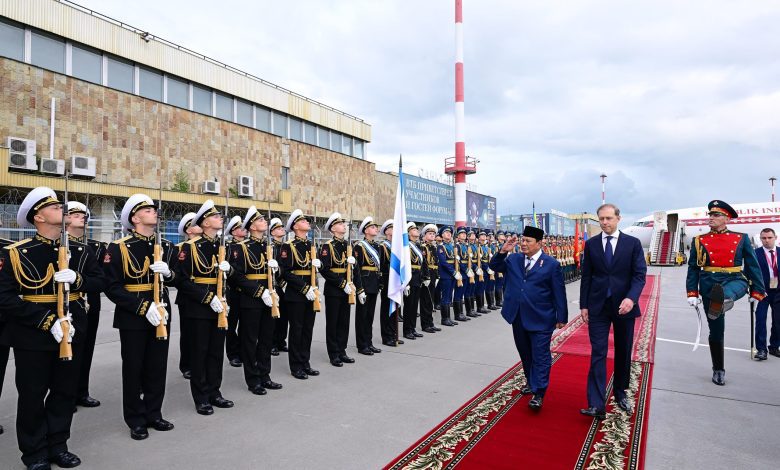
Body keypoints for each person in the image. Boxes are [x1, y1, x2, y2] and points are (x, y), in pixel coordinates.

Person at [0, 187, 102, 469]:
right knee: (32, 395)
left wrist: (78, 279)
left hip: (71, 329)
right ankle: (34, 453)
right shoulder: (16, 253)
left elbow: (100, 281)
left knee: (64, 392)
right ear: (38, 216)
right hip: (32, 334)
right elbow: (5, 298)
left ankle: (58, 445)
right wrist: (47, 321)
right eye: (55, 206)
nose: (63, 209)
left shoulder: (80, 251)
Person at [103, 194, 177, 440]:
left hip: (162, 310)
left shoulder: (165, 245)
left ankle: (154, 413)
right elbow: (112, 287)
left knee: (157, 366)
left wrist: (169, 273)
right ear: (135, 218)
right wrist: (143, 307)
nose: (154, 212)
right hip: (134, 315)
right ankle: (135, 418)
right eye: (148, 210)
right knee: (134, 368)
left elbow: (178, 277)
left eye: (154, 209)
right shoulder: (118, 247)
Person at [686, 200, 765, 385]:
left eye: (716, 215)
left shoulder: (741, 238)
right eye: (710, 215)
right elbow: (693, 269)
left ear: (726, 218)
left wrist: (757, 291)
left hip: (734, 279)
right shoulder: (699, 240)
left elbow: (753, 266)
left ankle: (724, 300)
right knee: (716, 331)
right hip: (708, 284)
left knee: (725, 292)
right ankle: (718, 369)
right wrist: (691, 293)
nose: (711, 218)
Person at [489, 226, 568, 411]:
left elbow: (559, 292)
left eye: (528, 241)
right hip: (517, 316)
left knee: (540, 356)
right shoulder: (514, 259)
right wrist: (502, 251)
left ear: (539, 243)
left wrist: (561, 316)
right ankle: (531, 382)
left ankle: (539, 393)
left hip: (541, 317)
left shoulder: (551, 264)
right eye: (522, 240)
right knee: (525, 354)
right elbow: (495, 266)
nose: (523, 244)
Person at [580, 203, 647, 419]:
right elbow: (587, 276)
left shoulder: (632, 244)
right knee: (598, 352)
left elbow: (639, 275)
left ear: (619, 218)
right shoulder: (591, 245)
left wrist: (631, 298)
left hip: (623, 306)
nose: (605, 222)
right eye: (601, 219)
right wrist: (584, 305)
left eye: (609, 218)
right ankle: (596, 403)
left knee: (623, 350)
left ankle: (620, 391)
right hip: (598, 306)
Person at [174, 200, 234, 415]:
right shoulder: (189, 248)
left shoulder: (221, 246)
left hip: (220, 305)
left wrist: (231, 270)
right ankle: (201, 397)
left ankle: (214, 392)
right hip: (199, 306)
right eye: (216, 216)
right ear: (205, 222)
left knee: (217, 352)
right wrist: (208, 297)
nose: (220, 218)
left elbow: (229, 276)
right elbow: (181, 280)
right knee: (200, 352)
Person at [228, 206, 283, 394]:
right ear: (251, 226)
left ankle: (265, 375)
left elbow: (278, 273)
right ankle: (253, 380)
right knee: (250, 340)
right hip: (251, 299)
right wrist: (260, 292)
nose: (264, 223)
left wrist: (277, 270)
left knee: (267, 339)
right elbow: (237, 277)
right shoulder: (239, 248)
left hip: (270, 298)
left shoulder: (269, 247)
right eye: (260, 220)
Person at [65, 202, 107, 410]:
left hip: (91, 302)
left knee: (86, 348)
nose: (82, 216)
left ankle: (82, 391)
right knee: (68, 352)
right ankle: (67, 395)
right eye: (75, 214)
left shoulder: (96, 247)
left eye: (84, 214)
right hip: (69, 303)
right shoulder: (61, 246)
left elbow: (101, 277)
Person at [279, 210, 321, 379]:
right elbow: (286, 273)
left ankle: (305, 362)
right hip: (296, 294)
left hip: (311, 293)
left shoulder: (311, 245)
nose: (307, 223)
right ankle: (296, 366)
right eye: (303, 221)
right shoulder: (288, 246)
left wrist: (321, 264)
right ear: (295, 226)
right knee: (297, 330)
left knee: (308, 330)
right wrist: (305, 288)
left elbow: (317, 268)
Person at [318, 212, 357, 367]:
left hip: (347, 288)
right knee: (333, 322)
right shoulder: (327, 246)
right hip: (334, 289)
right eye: (340, 224)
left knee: (344, 322)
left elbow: (354, 269)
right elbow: (325, 270)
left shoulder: (348, 245)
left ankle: (342, 350)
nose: (343, 226)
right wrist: (342, 284)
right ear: (333, 228)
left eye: (343, 224)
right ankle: (333, 353)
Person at [175, 212, 200, 380]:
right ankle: (186, 365)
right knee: (188, 333)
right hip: (187, 296)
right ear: (189, 230)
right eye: (195, 224)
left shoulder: (205, 245)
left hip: (205, 295)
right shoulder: (180, 249)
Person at [353, 217, 382, 354]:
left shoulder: (377, 246)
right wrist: (359, 289)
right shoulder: (359, 246)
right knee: (362, 316)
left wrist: (380, 283)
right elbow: (356, 269)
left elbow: (379, 267)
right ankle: (362, 345)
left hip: (374, 284)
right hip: (364, 284)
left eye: (376, 227)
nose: (375, 229)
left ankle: (369, 342)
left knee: (370, 316)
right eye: (372, 227)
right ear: (365, 230)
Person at [224, 215, 247, 368]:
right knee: (231, 325)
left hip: (247, 290)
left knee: (246, 325)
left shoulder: (248, 245)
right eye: (240, 227)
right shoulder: (228, 247)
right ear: (233, 231)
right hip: (233, 290)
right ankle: (233, 354)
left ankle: (244, 352)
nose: (243, 229)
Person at [755, 228, 779, 360]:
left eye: (769, 238)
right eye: (764, 238)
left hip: (778, 291)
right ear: (761, 239)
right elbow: (749, 273)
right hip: (762, 292)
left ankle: (774, 347)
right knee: (760, 320)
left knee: (778, 321)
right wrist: (752, 290)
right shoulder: (755, 254)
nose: (767, 240)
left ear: (775, 237)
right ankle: (761, 349)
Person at [379, 220, 402, 346]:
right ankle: (386, 336)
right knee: (386, 309)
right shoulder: (383, 246)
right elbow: (381, 266)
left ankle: (394, 334)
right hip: (388, 281)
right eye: (392, 228)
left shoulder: (396, 247)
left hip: (396, 281)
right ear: (387, 231)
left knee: (395, 308)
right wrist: (381, 282)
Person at [403, 223, 427, 340]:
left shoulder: (418, 246)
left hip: (418, 278)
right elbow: (404, 265)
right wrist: (405, 283)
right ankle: (407, 330)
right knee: (409, 305)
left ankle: (412, 328)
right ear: (408, 232)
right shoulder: (406, 246)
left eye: (417, 229)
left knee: (414, 306)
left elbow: (422, 264)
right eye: (413, 229)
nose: (416, 231)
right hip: (410, 278)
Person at [268, 217, 289, 356]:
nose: (282, 229)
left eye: (282, 227)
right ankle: (272, 343)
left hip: (286, 284)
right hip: (275, 284)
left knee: (285, 316)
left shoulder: (286, 246)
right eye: (278, 228)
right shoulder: (270, 247)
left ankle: (281, 341)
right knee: (274, 316)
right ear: (272, 232)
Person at [419, 224, 441, 334]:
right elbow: (423, 264)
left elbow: (436, 263)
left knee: (431, 300)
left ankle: (430, 322)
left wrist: (437, 276)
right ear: (424, 235)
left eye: (433, 234)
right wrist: (425, 277)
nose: (432, 235)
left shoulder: (434, 247)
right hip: (426, 276)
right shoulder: (423, 247)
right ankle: (425, 324)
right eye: (430, 234)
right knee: (425, 301)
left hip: (433, 274)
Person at [436, 226, 459, 327]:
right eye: (446, 232)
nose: (448, 234)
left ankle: (449, 318)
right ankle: (444, 319)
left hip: (453, 275)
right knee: (445, 297)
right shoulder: (441, 247)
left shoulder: (452, 246)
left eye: (449, 232)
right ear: (442, 235)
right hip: (446, 275)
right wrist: (453, 272)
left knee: (449, 296)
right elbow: (444, 262)